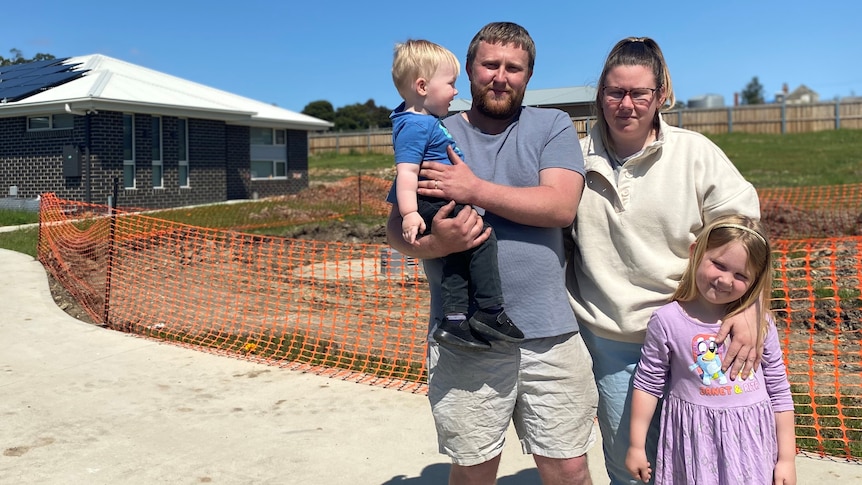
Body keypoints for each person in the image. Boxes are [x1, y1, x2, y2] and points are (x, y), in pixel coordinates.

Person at [386, 22, 598, 485]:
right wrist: (438, 243)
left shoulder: (552, 124)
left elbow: (560, 206)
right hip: (464, 337)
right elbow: (396, 232)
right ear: (469, 70)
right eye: (490, 65)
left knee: (569, 468)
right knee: (474, 468)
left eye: (513, 67)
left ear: (528, 75)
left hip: (549, 333)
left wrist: (475, 189)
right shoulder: (431, 131)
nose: (500, 76)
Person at [565, 37, 764, 484]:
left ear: (660, 96)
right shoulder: (572, 161)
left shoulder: (695, 154)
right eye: (616, 92)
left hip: (693, 336)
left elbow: (744, 233)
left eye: (640, 93)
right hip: (615, 339)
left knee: (706, 455)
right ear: (600, 95)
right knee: (632, 464)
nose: (627, 104)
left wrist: (747, 306)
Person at [625, 215, 796, 485]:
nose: (726, 281)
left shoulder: (760, 324)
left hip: (751, 447)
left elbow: (779, 390)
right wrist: (636, 445)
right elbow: (648, 384)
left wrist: (787, 459)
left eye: (741, 275)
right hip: (695, 445)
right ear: (696, 253)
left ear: (755, 280)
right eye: (718, 264)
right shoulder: (667, 321)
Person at [390, 39, 523, 351]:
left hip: (437, 198)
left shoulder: (420, 121)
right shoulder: (416, 126)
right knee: (482, 237)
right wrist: (410, 213)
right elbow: (406, 172)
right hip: (434, 199)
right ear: (422, 86)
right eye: (450, 84)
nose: (455, 92)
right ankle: (490, 311)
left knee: (457, 254)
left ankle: (454, 320)